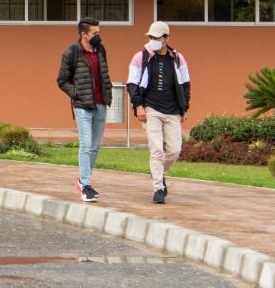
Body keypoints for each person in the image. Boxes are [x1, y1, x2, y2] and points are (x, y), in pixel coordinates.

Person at [126, 21, 191, 205]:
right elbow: (132, 84)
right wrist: (138, 106)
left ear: (166, 38)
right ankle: (158, 189)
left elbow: (185, 84)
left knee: (174, 150)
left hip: (172, 110)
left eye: (157, 37)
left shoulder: (178, 59)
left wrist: (184, 107)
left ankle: (159, 173)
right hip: (151, 109)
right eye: (151, 37)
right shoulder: (141, 57)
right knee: (156, 150)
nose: (153, 40)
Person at [56, 16, 113, 203]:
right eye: (94, 33)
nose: (98, 36)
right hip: (82, 106)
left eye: (99, 32)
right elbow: (62, 80)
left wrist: (107, 94)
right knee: (86, 143)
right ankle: (86, 185)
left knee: (95, 146)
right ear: (83, 34)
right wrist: (77, 93)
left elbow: (104, 74)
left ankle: (82, 181)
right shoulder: (71, 52)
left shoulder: (100, 50)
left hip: (100, 104)